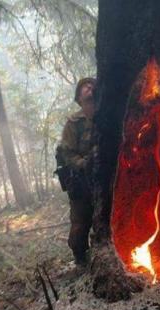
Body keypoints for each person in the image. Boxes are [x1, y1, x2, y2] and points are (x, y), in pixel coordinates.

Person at [57, 77, 96, 267]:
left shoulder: (107, 116)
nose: (89, 88)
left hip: (104, 181)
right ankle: (81, 260)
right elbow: (67, 153)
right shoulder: (74, 123)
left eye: (92, 85)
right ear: (79, 98)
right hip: (81, 183)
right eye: (84, 87)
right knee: (80, 226)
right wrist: (83, 164)